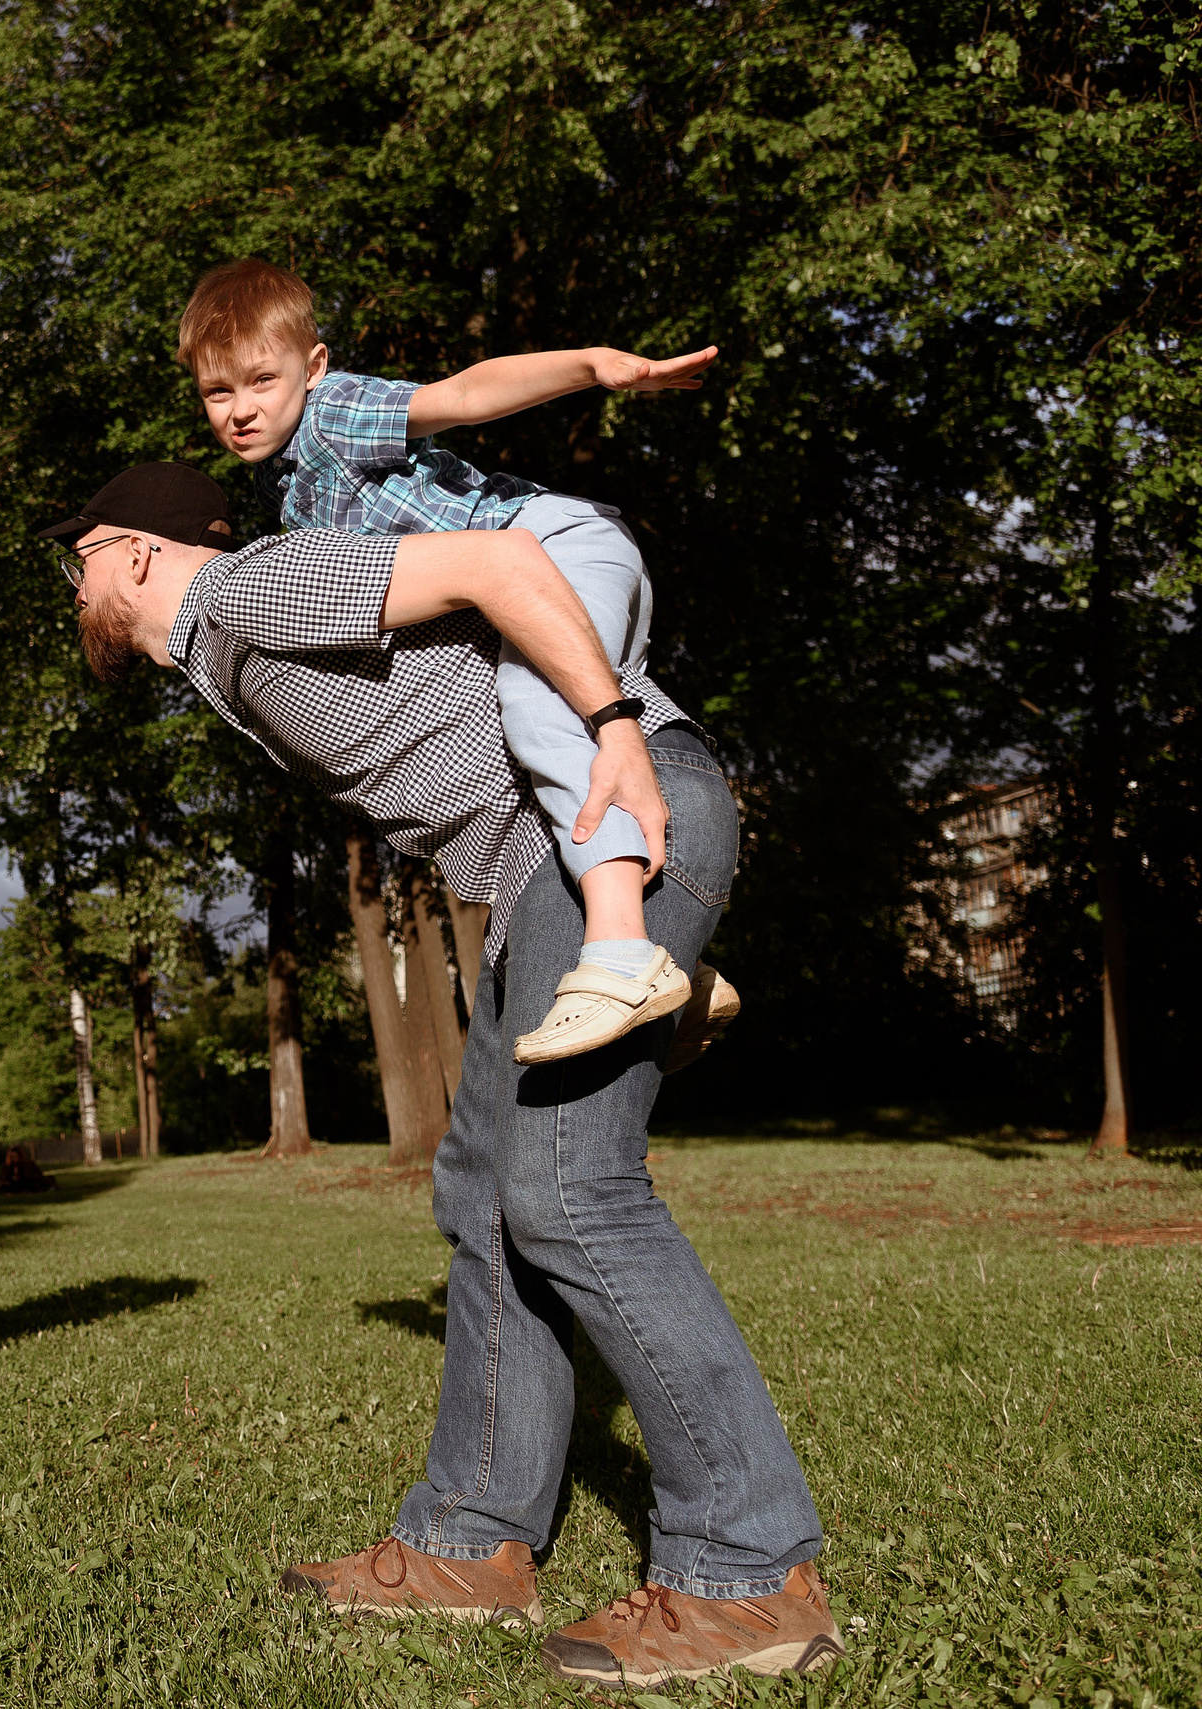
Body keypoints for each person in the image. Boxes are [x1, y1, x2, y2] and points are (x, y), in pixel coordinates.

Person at [43, 464, 837, 1687]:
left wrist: (612, 730)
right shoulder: (227, 649)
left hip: (610, 818)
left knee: (569, 1188)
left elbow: (502, 564)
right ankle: (472, 1540)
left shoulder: (249, 587)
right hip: (541, 879)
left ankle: (748, 1567)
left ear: (138, 551)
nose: (73, 585)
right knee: (485, 1198)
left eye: (79, 556)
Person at [178, 259, 740, 1069]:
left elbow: (464, 395)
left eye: (262, 380)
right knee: (537, 757)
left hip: (554, 545)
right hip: (545, 571)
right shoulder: (283, 486)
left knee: (536, 703)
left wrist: (591, 367)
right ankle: (676, 954)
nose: (240, 409)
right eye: (217, 392)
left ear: (314, 365)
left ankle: (622, 953)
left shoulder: (333, 415)